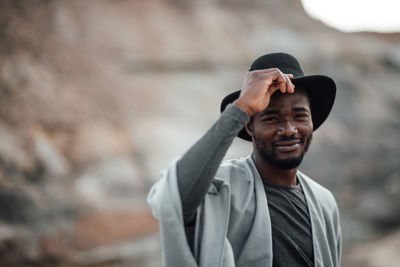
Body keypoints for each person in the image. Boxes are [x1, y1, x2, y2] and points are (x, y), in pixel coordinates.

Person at [147, 53, 342, 267]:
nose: (288, 130)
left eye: (300, 116)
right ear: (250, 126)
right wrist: (243, 107)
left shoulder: (324, 202)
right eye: (271, 118)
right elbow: (172, 198)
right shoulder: (222, 186)